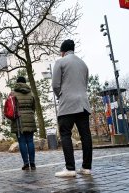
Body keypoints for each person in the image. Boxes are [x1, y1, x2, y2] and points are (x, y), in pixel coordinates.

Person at [52, 39, 92, 177]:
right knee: (86, 135)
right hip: (83, 104)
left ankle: (70, 169)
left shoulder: (60, 62)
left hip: (67, 104)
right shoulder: (83, 64)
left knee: (65, 134)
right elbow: (84, 84)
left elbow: (55, 85)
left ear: (62, 52)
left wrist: (61, 96)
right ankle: (86, 168)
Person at [9, 76, 37, 170]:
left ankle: (26, 163)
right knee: (30, 141)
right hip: (30, 118)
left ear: (17, 83)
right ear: (25, 83)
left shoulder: (13, 93)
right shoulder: (31, 93)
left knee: (22, 142)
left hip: (18, 120)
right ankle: (32, 163)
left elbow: (9, 108)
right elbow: (34, 107)